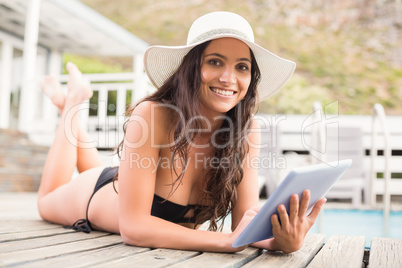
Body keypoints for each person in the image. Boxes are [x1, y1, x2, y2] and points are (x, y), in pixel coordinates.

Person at [37, 11, 326, 253]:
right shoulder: (153, 114)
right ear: (191, 67)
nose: (228, 78)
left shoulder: (247, 131)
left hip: (127, 182)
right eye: (215, 61)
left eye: (242, 67)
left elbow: (244, 226)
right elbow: (134, 228)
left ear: (251, 79)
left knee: (112, 171)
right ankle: (72, 104)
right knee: (45, 200)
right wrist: (225, 240)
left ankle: (70, 108)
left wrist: (283, 241)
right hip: (94, 195)